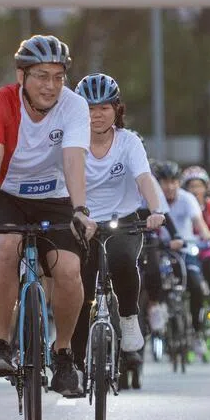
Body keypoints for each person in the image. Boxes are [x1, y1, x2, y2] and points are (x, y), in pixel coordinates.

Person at [0, 34, 94, 398]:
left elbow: (74, 160)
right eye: (41, 75)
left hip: (54, 196)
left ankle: (64, 353)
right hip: (7, 192)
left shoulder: (74, 106)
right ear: (21, 76)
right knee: (5, 248)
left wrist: (81, 211)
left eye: (58, 76)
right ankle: (2, 344)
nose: (50, 86)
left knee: (69, 270)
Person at [69, 73, 165, 369]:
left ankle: (129, 318)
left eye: (103, 108)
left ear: (116, 110)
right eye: (89, 108)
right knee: (79, 286)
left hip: (122, 222)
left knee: (124, 259)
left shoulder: (129, 142)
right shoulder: (72, 143)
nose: (96, 115)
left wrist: (156, 209)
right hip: (82, 223)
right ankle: (73, 356)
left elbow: (144, 178)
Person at [154, 160, 210, 357]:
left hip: (186, 251)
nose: (170, 187)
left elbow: (200, 222)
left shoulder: (187, 199)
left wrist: (206, 234)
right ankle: (155, 320)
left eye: (174, 182)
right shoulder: (152, 198)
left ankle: (197, 333)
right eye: (164, 182)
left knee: (196, 286)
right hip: (159, 250)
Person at [181, 165, 210, 304]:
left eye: (199, 186)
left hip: (208, 248)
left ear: (206, 187)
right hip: (187, 249)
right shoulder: (181, 205)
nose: (196, 190)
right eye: (192, 186)